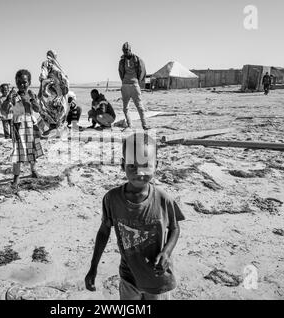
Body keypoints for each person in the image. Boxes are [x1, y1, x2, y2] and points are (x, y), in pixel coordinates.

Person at [85, 132, 185, 300]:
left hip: (157, 278)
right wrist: (93, 267)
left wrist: (166, 253)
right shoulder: (112, 199)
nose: (139, 172)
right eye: (132, 166)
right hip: (128, 276)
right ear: (122, 165)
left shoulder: (163, 199)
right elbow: (104, 231)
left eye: (146, 165)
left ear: (156, 165)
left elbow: (174, 228)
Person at [9, 69, 44, 187]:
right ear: (16, 83)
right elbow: (5, 109)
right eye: (19, 82)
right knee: (17, 151)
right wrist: (9, 98)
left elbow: (37, 109)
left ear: (29, 82)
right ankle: (16, 176)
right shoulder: (13, 95)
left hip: (30, 123)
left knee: (32, 149)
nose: (22, 85)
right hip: (18, 125)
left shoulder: (31, 94)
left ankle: (33, 170)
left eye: (24, 82)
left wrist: (33, 100)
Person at [37, 50, 70, 136]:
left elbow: (43, 75)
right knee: (59, 107)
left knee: (47, 107)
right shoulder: (57, 65)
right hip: (59, 89)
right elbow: (65, 78)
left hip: (51, 88)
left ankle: (53, 127)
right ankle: (58, 127)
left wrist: (42, 87)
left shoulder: (47, 63)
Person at [118, 42, 149, 130]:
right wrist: (124, 82)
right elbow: (120, 72)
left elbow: (142, 71)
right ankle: (130, 124)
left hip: (134, 84)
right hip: (125, 86)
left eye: (127, 50)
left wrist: (137, 81)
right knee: (125, 108)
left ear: (130, 50)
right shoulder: (122, 61)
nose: (125, 52)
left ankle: (144, 125)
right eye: (124, 50)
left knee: (139, 106)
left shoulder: (137, 59)